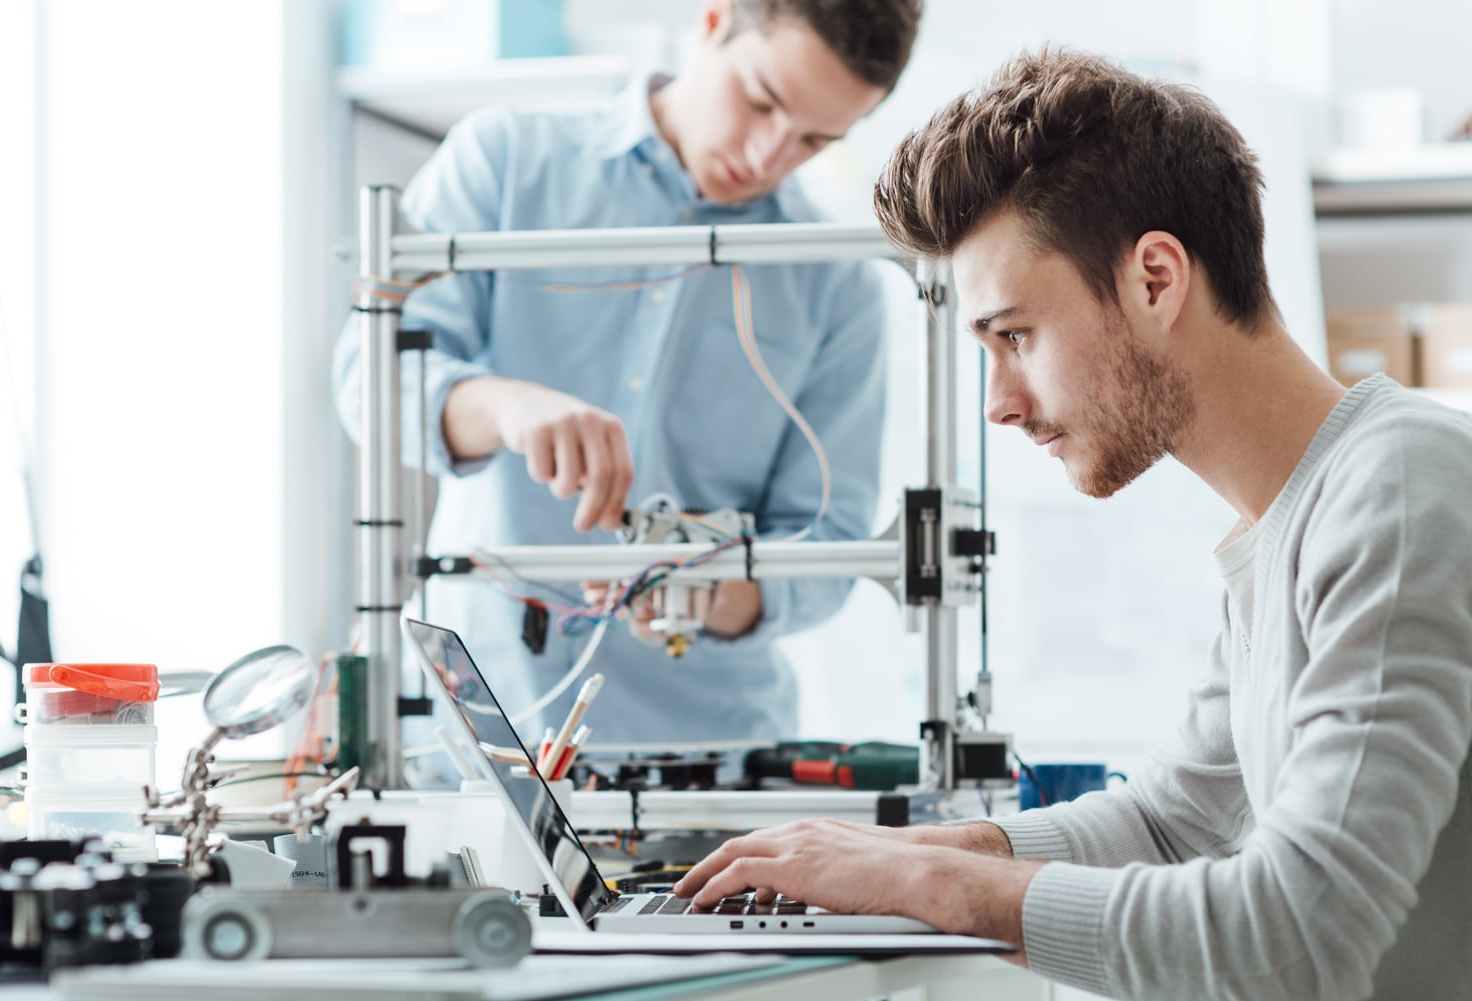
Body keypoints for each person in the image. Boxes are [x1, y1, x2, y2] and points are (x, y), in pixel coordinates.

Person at [674, 48, 1472, 1001]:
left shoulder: (1401, 486)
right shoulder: (1288, 515)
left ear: (1156, 279)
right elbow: (1179, 822)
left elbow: (1298, 935)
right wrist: (913, 850)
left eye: (1016, 335)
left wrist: (932, 882)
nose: (999, 404)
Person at [333, 0, 922, 762]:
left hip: (704, 760)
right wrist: (507, 406)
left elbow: (828, 541)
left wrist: (716, 595)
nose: (770, 153)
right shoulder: (507, 159)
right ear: (713, 22)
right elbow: (368, 381)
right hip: (471, 729)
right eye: (761, 100)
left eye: (816, 139)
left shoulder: (836, 280)